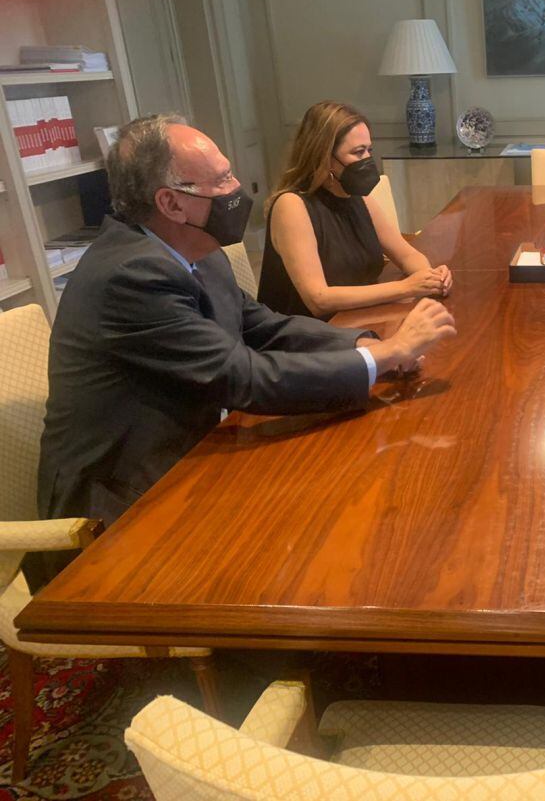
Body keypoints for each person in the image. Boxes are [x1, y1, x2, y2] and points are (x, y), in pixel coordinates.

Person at [30, 114, 456, 589]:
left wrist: (369, 346)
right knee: (332, 536)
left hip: (197, 450)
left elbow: (261, 327)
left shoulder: (196, 249)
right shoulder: (131, 275)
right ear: (171, 203)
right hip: (124, 503)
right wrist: (383, 357)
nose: (238, 188)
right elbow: (243, 377)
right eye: (221, 181)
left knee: (353, 501)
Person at [258, 101, 452, 318]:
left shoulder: (359, 197)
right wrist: (407, 287)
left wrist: (430, 276)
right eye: (358, 152)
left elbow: (407, 255)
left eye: (369, 150)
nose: (367, 160)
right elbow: (318, 300)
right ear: (324, 158)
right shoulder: (291, 206)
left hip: (355, 318)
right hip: (303, 334)